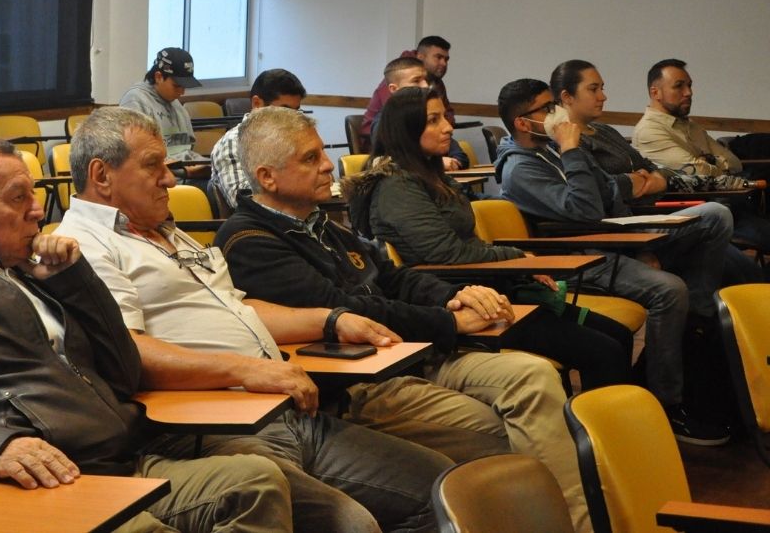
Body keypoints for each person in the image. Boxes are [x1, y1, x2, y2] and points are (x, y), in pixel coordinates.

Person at [58, 107, 497, 533]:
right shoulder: (85, 245)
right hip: (217, 424)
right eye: (154, 166)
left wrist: (330, 320)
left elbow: (240, 307)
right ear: (101, 176)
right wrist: (254, 370)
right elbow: (132, 351)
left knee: (440, 486)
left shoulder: (165, 230)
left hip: (285, 405)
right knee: (353, 524)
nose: (171, 178)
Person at [0, 136, 297, 533]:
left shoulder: (37, 277)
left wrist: (75, 278)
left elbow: (124, 370)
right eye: (19, 198)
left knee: (256, 480)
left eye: (35, 195)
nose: (39, 211)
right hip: (49, 482)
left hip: (124, 460)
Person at [222, 104, 594, 533]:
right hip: (365, 379)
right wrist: (448, 323)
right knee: (514, 433)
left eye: (323, 152)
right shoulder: (249, 240)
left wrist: (456, 297)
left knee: (533, 378)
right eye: (310, 158)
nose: (328, 166)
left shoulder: (321, 222)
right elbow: (351, 310)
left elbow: (396, 279)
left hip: (413, 352)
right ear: (267, 177)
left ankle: (578, 524)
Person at [345, 88, 631, 391]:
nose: (448, 126)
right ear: (406, 130)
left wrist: (518, 263)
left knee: (620, 336)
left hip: (494, 288)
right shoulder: (397, 186)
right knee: (605, 352)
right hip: (463, 302)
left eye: (445, 116)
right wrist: (517, 259)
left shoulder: (430, 174)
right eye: (433, 120)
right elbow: (448, 254)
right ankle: (594, 433)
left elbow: (469, 246)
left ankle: (633, 424)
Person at [494, 78, 730, 445]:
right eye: (546, 108)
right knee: (669, 290)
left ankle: (694, 322)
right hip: (577, 257)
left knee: (715, 215)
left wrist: (639, 245)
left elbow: (610, 191)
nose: (557, 113)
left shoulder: (554, 150)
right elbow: (586, 209)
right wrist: (572, 150)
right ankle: (666, 404)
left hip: (614, 238)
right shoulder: (521, 168)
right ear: (524, 123)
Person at [550, 60, 761, 285]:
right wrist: (635, 181)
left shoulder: (605, 131)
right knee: (717, 215)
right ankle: (702, 306)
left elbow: (654, 169)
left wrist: (650, 179)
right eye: (594, 89)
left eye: (602, 88)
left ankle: (703, 309)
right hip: (621, 226)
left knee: (749, 272)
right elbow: (601, 189)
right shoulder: (567, 143)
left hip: (648, 213)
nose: (603, 96)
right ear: (567, 97)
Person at [632, 58, 770, 262]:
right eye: (679, 86)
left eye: (689, 85)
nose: (688, 92)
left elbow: (734, 162)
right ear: (655, 93)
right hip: (701, 213)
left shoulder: (690, 126)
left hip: (734, 204)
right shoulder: (649, 131)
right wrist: (710, 162)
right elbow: (698, 172)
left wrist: (708, 161)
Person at [209, 69, 306, 209]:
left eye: (296, 112)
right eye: (285, 111)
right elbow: (244, 202)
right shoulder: (233, 142)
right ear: (257, 104)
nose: (291, 119)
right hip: (259, 227)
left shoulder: (293, 138)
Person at [366, 56, 468, 170]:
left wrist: (449, 163)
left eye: (426, 80)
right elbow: (391, 164)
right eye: (416, 81)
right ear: (394, 89)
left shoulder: (431, 112)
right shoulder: (384, 122)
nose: (425, 85)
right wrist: (436, 164)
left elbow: (461, 157)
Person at [362, 37, 456, 146]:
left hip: (424, 143)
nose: (444, 63)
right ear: (420, 57)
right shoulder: (399, 76)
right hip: (383, 148)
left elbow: (447, 114)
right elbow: (399, 120)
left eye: (446, 59)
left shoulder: (436, 81)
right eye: (438, 57)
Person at [120, 47, 202, 162]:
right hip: (158, 175)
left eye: (184, 87)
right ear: (158, 77)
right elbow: (136, 156)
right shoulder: (135, 101)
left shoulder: (175, 103)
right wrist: (184, 172)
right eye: (177, 86)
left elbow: (188, 147)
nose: (182, 92)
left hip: (183, 171)